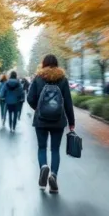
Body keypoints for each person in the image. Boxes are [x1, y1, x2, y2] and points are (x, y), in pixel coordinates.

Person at [26, 54, 76, 194]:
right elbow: (68, 103)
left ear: (44, 64)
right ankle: (53, 175)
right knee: (55, 149)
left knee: (42, 147)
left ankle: (43, 167)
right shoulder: (63, 79)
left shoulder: (38, 78)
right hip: (58, 120)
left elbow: (30, 98)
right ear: (57, 64)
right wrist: (71, 122)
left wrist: (39, 108)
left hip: (41, 120)